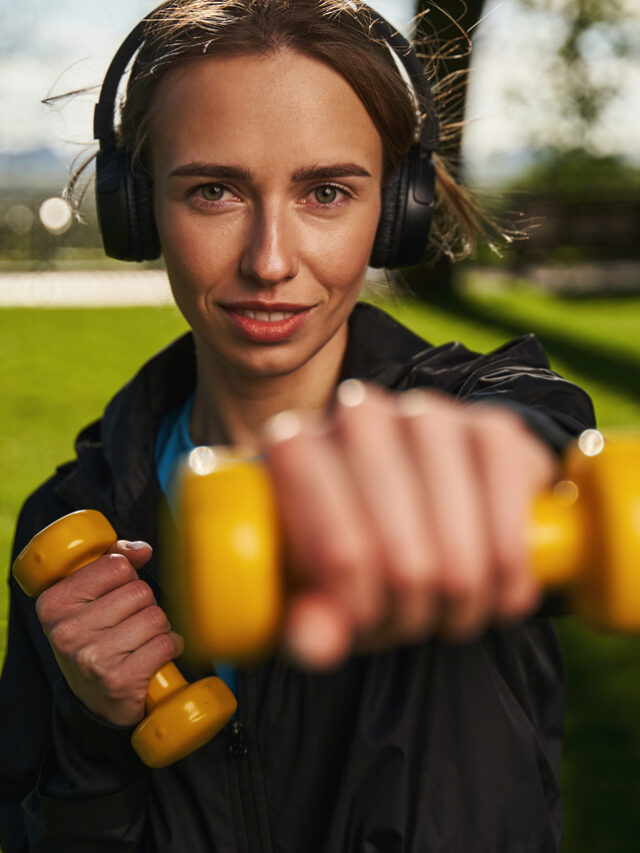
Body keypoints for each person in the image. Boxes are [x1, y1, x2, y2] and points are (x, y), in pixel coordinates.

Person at [0, 1, 595, 850]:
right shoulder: (69, 528)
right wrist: (95, 734)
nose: (270, 260)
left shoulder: (483, 410)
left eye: (326, 192)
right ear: (137, 209)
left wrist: (495, 464)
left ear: (397, 208)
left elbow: (541, 432)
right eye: (214, 190)